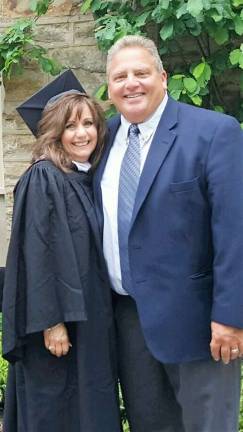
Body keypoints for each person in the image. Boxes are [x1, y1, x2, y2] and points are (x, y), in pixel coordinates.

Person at [93, 35, 243, 432]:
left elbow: (234, 231)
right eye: (120, 76)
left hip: (198, 326)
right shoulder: (101, 141)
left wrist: (230, 316)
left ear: (163, 76)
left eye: (141, 73)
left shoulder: (214, 132)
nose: (131, 83)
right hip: (128, 322)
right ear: (109, 88)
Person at [2, 71, 121, 432]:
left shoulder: (85, 177)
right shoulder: (44, 177)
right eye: (70, 126)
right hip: (60, 329)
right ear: (54, 132)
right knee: (60, 410)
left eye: (88, 123)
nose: (82, 133)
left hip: (89, 322)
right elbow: (37, 252)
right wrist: (52, 322)